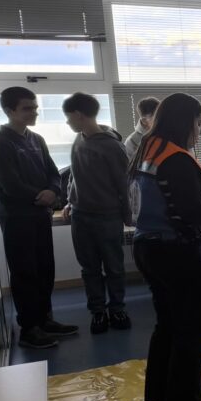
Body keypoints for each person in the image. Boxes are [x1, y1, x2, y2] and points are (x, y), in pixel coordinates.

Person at [131, 93, 201, 401]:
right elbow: (192, 213)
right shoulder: (176, 157)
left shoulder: (148, 149)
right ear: (185, 120)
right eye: (199, 122)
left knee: (169, 326)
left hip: (149, 246)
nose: (200, 130)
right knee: (194, 330)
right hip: (181, 254)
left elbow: (168, 195)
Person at [0, 86, 77, 350]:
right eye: (27, 108)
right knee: (25, 271)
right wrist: (42, 195)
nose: (34, 112)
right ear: (9, 111)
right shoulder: (0, 143)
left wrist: (54, 190)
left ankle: (44, 319)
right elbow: (9, 183)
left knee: (44, 269)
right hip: (18, 217)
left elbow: (53, 172)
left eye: (35, 107)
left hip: (40, 214)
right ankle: (29, 328)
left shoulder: (36, 139)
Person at [62, 92, 132, 334]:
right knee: (89, 268)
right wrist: (70, 201)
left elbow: (125, 184)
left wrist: (127, 216)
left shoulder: (112, 146)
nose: (67, 122)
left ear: (79, 115)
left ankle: (117, 309)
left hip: (108, 216)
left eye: (69, 117)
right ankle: (98, 312)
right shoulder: (78, 140)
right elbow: (74, 174)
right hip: (80, 215)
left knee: (114, 266)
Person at [124, 96, 160, 160]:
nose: (161, 119)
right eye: (156, 117)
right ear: (144, 120)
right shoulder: (132, 142)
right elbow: (128, 167)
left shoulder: (166, 134)